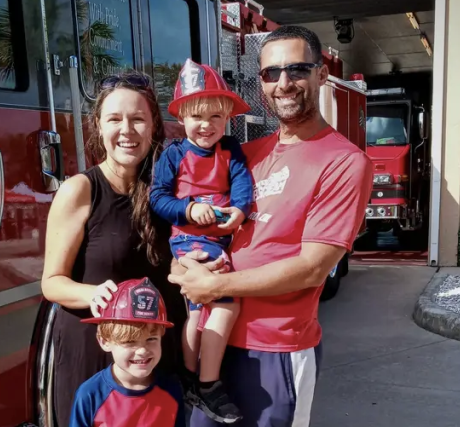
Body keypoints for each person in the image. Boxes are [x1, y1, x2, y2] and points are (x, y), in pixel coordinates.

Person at [168, 25, 374, 427]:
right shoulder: (244, 154)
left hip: (276, 350)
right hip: (215, 339)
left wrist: (217, 286)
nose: (283, 83)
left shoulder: (344, 162)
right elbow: (196, 228)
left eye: (297, 69)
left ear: (321, 74)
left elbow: (313, 267)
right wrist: (183, 268)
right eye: (270, 73)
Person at [40, 71, 188, 427]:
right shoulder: (80, 190)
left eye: (138, 119)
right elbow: (52, 283)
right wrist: (94, 293)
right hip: (94, 354)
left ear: (154, 127)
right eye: (115, 119)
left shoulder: (171, 192)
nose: (127, 130)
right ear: (99, 127)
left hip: (155, 353)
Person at [150, 58, 253, 424]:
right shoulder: (174, 154)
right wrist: (189, 210)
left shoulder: (231, 151)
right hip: (191, 240)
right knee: (226, 307)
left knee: (198, 310)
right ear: (181, 118)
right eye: (197, 117)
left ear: (227, 119)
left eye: (215, 117)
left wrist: (239, 210)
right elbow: (158, 198)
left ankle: (190, 377)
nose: (206, 125)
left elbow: (242, 185)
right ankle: (210, 385)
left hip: (219, 238)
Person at [69, 277, 186, 427]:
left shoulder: (173, 388)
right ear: (104, 341)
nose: (142, 351)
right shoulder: (90, 395)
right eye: (130, 342)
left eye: (151, 339)